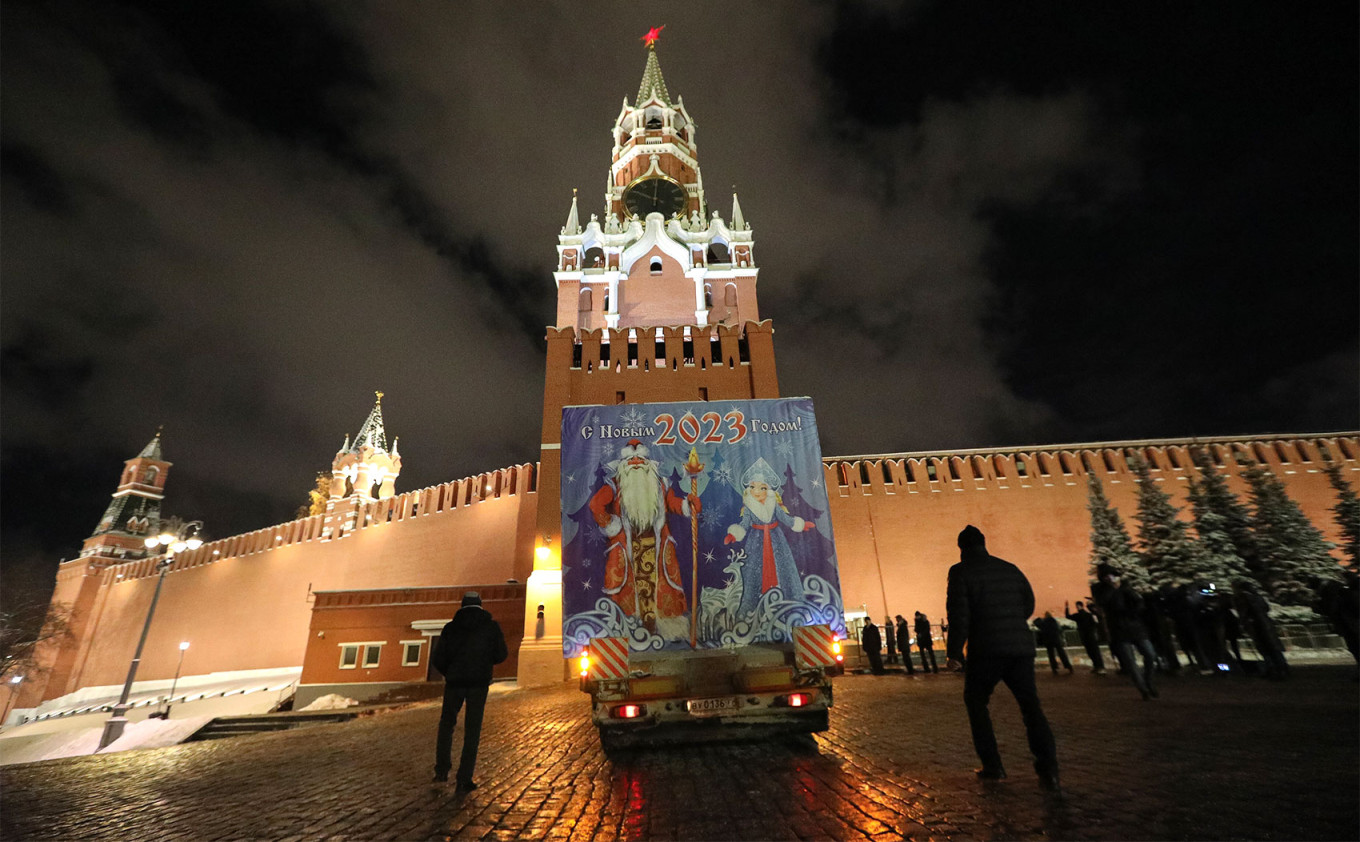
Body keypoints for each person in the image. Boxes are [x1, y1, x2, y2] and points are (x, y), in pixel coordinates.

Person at [946, 525, 1060, 792]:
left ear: (961, 548)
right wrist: (1012, 620)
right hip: (1020, 649)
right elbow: (1029, 604)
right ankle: (1049, 769)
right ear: (984, 543)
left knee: (976, 703)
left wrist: (954, 653)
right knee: (1031, 708)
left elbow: (959, 615)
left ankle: (993, 765)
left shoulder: (960, 571)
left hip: (985, 650)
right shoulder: (1010, 568)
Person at [590, 439, 698, 637]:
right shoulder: (614, 486)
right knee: (628, 595)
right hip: (627, 550)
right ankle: (632, 631)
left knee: (662, 591)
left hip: (658, 549)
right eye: (631, 460)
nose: (636, 463)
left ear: (649, 463)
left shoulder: (661, 484)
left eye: (640, 459)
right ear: (623, 464)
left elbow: (673, 503)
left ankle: (667, 631)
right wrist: (611, 524)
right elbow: (596, 505)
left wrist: (687, 505)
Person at [431, 591, 508, 790]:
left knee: (447, 725)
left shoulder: (451, 628)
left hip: (454, 683)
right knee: (472, 730)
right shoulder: (491, 627)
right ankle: (464, 778)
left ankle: (441, 770)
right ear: (480, 605)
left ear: (462, 606)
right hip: (479, 684)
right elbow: (501, 655)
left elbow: (438, 659)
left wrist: (450, 671)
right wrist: (485, 664)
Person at [724, 458, 816, 617]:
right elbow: (744, 524)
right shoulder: (748, 507)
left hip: (776, 540)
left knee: (783, 567)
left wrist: (799, 524)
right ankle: (751, 608)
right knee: (753, 570)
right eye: (752, 487)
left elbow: (785, 519)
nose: (756, 491)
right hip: (756, 542)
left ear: (768, 489)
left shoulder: (773, 503)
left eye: (761, 487)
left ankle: (790, 603)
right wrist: (735, 533)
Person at [1091, 564, 1160, 699]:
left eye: (1110, 575)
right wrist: (1113, 588)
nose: (1109, 578)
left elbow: (1138, 601)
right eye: (1106, 576)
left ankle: (1149, 681)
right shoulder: (1099, 588)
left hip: (1135, 627)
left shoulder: (1125, 586)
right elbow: (1102, 602)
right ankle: (1143, 690)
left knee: (1150, 655)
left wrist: (1134, 612)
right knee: (1130, 662)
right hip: (1118, 630)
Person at [1233, 580, 1288, 680]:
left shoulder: (1242, 597)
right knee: (1273, 648)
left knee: (1264, 647)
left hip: (1255, 625)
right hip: (1266, 623)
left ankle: (1272, 669)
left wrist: (1242, 623)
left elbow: (1243, 612)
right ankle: (1282, 667)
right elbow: (1266, 608)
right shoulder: (1257, 596)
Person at [1065, 600, 1106, 674]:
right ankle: (1099, 666)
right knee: (1094, 651)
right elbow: (1095, 623)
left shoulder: (1079, 615)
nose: (1077, 607)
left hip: (1085, 635)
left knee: (1091, 651)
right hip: (1091, 635)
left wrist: (1067, 607)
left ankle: (1098, 666)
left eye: (1077, 606)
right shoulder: (1088, 615)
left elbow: (1068, 616)